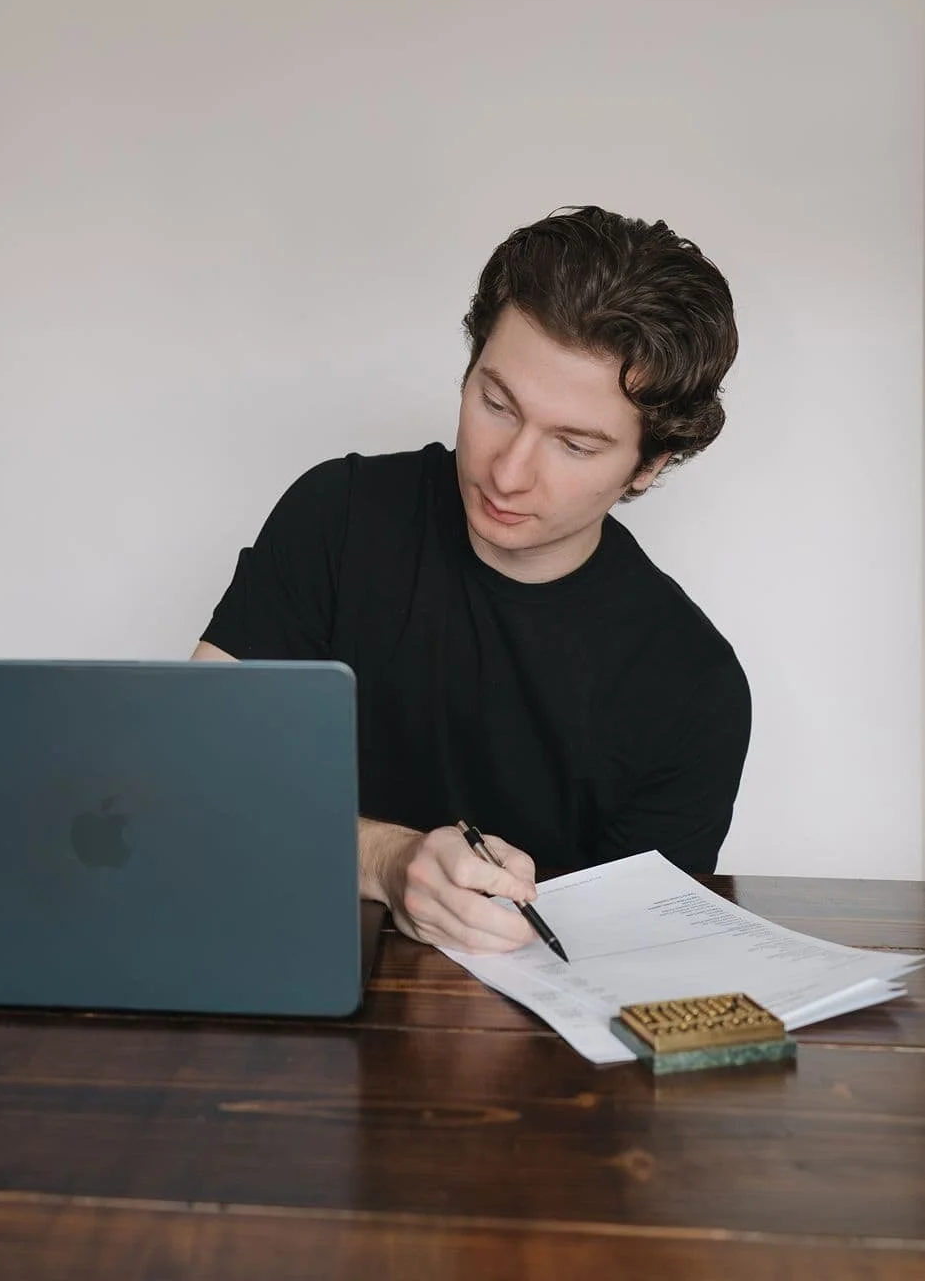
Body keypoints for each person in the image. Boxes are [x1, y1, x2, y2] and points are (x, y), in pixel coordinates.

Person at [192, 206, 751, 955]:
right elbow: (189, 775)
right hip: (274, 989)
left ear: (647, 467)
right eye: (496, 404)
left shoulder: (692, 688)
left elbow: (631, 963)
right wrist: (388, 862)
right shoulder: (339, 516)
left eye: (575, 445)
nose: (507, 471)